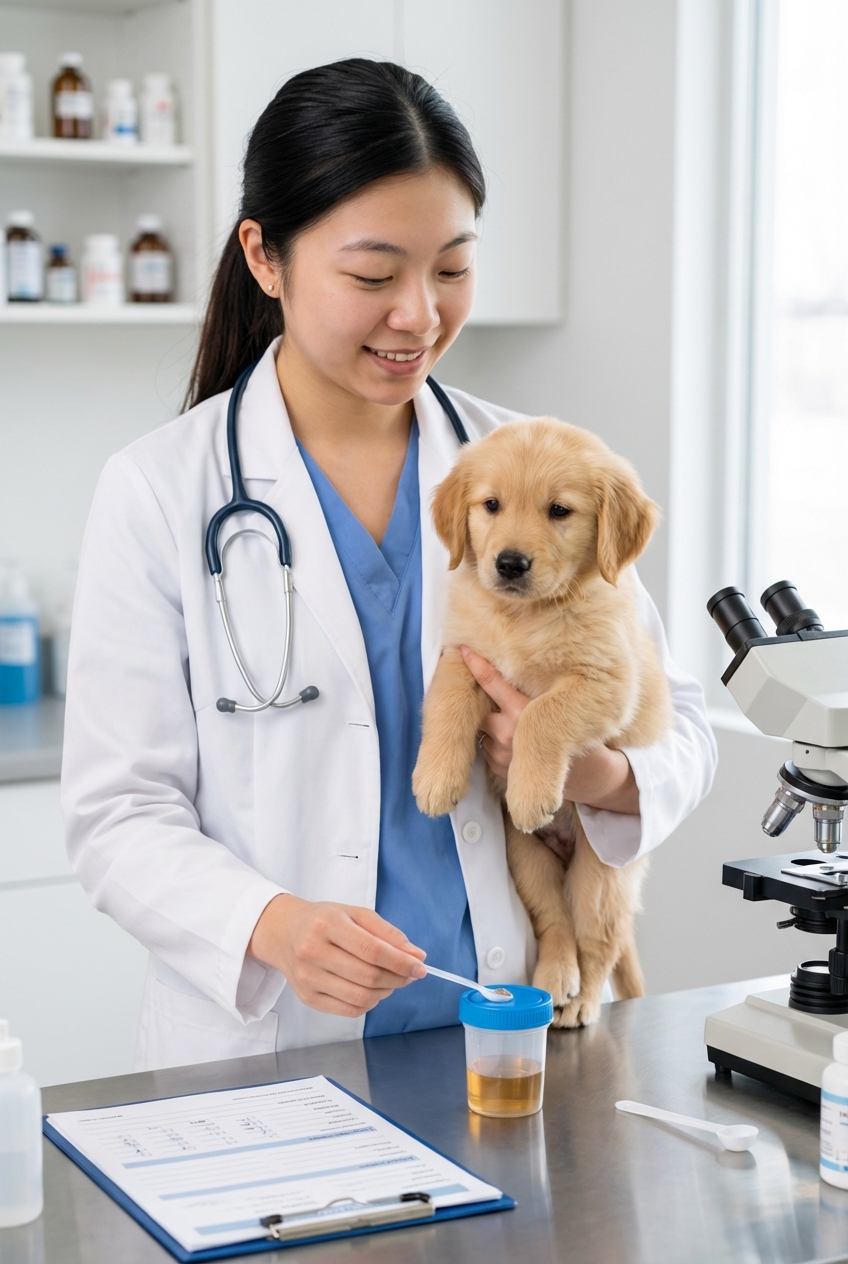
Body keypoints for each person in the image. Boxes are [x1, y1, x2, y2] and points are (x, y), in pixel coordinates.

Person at [62, 59, 717, 1071]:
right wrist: (270, 924)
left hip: (510, 1027)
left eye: (451, 269)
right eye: (373, 276)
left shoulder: (532, 470)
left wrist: (595, 773)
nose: (418, 313)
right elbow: (117, 814)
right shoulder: (161, 490)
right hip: (272, 1047)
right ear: (265, 258)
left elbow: (683, 725)